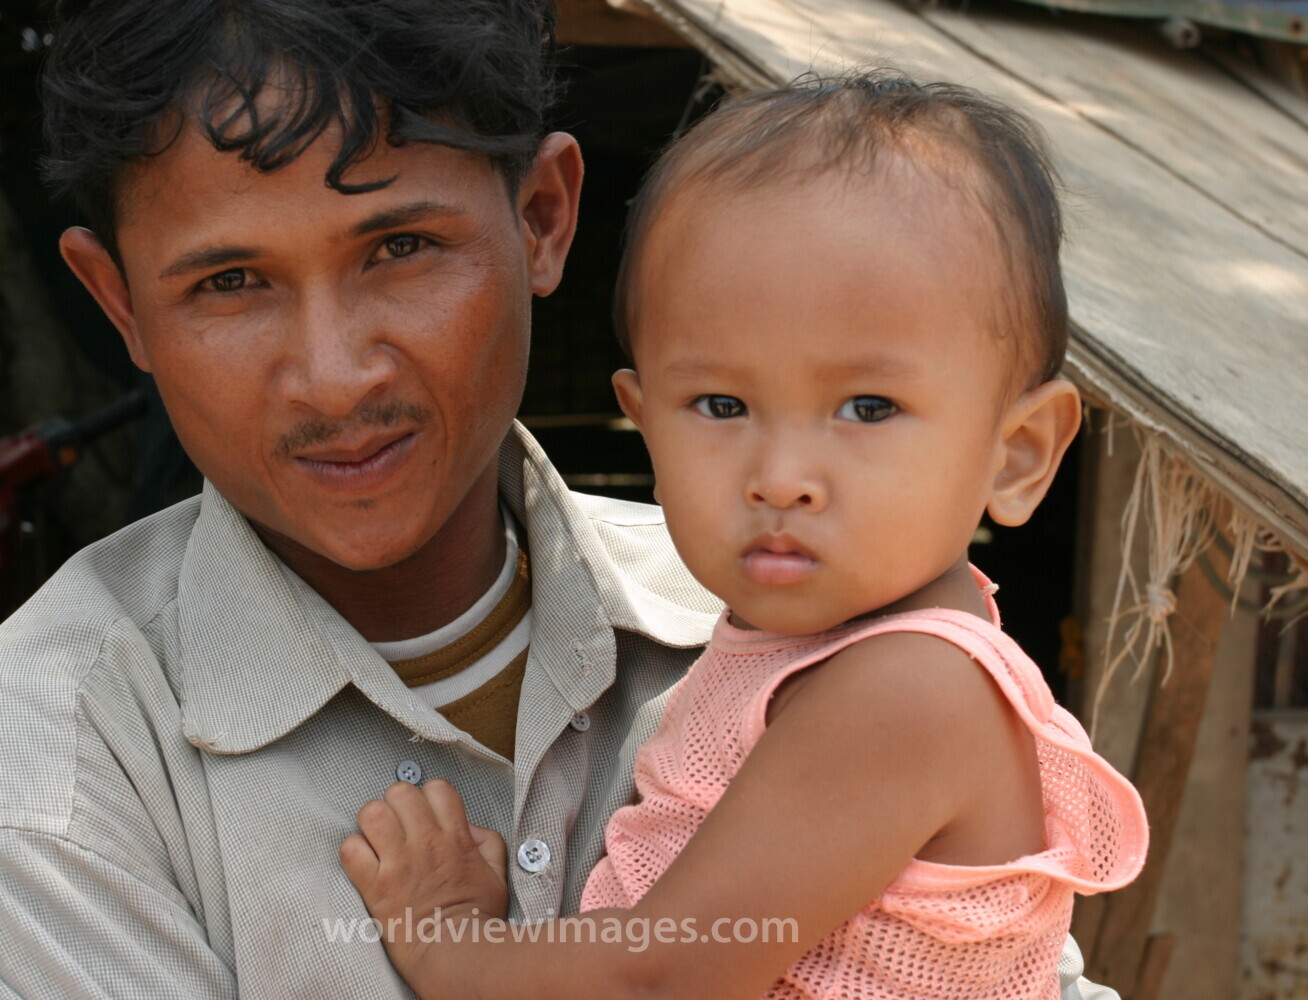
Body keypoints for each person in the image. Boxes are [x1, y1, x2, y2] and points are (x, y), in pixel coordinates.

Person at [0, 0, 1117, 991]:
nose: (334, 374)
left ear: (543, 217)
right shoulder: (37, 781)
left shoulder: (814, 631)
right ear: (120, 304)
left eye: (400, 247)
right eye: (231, 283)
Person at [339, 74, 1149, 1000]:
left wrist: (451, 944)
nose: (780, 476)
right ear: (647, 424)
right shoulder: (817, 649)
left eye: (868, 407)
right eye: (722, 405)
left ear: (1018, 455)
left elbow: (664, 977)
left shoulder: (909, 689)